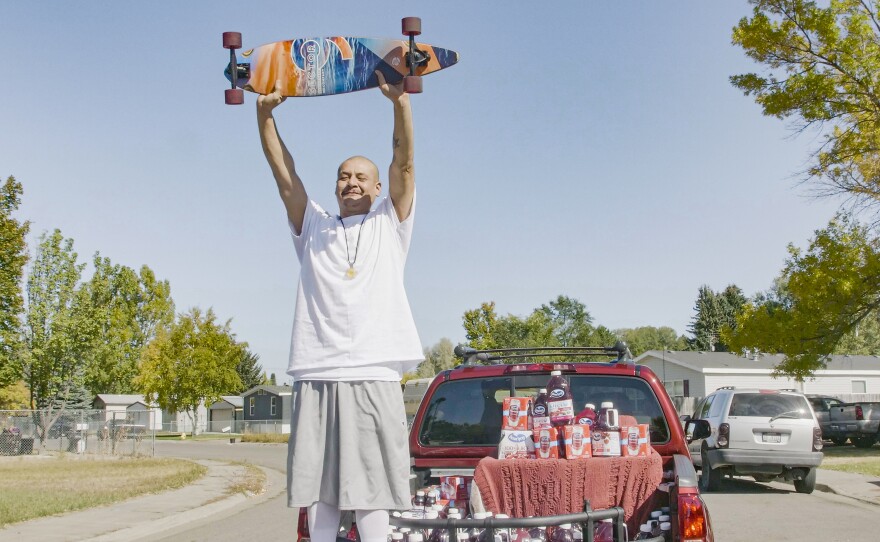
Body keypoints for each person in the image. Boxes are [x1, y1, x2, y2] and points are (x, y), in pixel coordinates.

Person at [257, 72, 424, 542]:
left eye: (361, 177)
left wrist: (400, 104)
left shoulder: (389, 223)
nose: (351, 182)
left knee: (370, 493)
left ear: (376, 190)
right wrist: (264, 115)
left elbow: (404, 165)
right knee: (322, 495)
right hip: (317, 370)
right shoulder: (313, 226)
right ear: (335, 187)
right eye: (343, 176)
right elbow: (283, 173)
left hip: (373, 372)